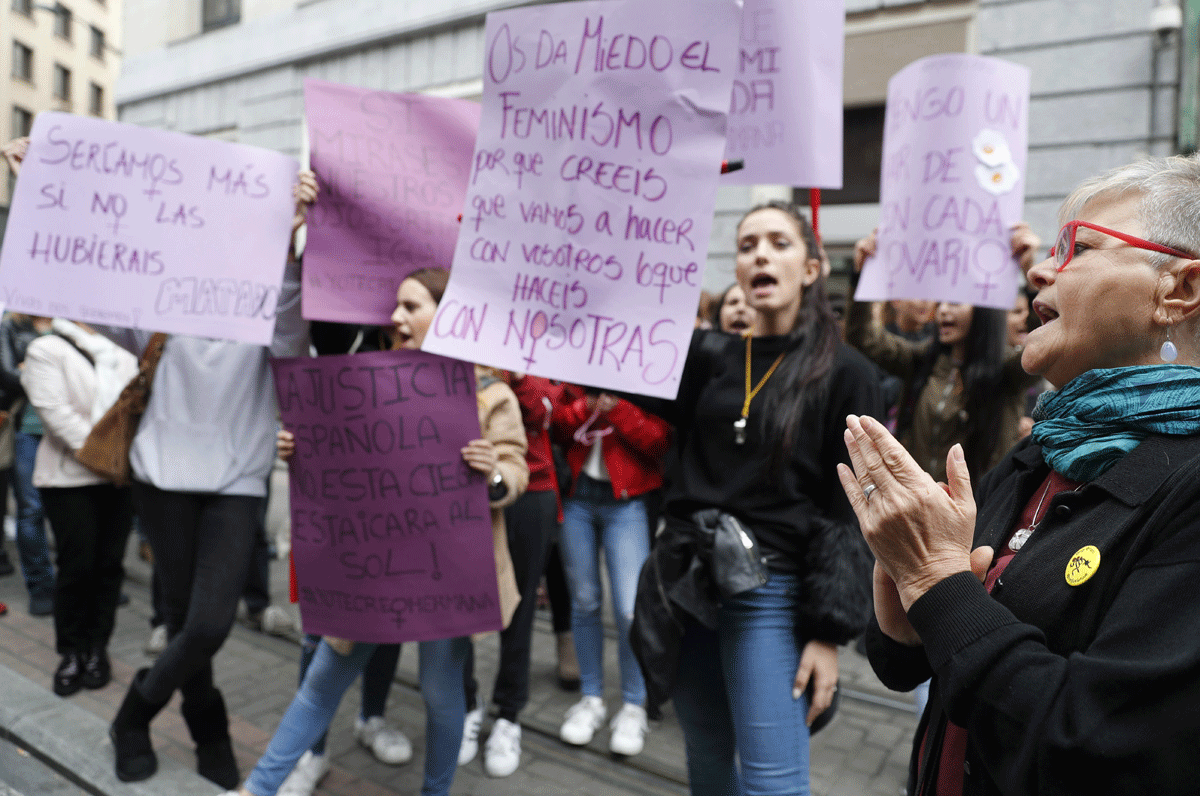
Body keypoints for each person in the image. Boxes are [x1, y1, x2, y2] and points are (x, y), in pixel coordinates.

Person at [845, 153, 1200, 796]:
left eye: (1079, 248)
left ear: (1179, 291)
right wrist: (904, 618)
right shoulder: (1042, 452)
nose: (1040, 268)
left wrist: (934, 580)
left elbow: (1089, 749)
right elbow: (913, 665)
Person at [231, 267, 527, 796]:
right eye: (396, 306)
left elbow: (515, 469)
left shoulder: (487, 391)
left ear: (446, 312)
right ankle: (259, 789)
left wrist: (494, 472)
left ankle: (435, 792)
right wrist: (301, 450)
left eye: (411, 306)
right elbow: (342, 459)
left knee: (442, 695)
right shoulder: (364, 378)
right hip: (374, 567)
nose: (395, 317)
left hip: (449, 575)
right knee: (322, 682)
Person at [631, 200, 882, 796]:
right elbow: (608, 363)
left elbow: (851, 506)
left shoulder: (846, 372)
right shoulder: (707, 357)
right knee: (707, 762)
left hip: (770, 593)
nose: (760, 255)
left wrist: (828, 634)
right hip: (687, 580)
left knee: (773, 782)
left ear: (812, 267)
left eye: (778, 242)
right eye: (746, 246)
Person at [102, 171, 318, 789]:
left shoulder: (269, 298)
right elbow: (90, 296)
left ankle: (134, 713)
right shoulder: (157, 296)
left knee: (208, 622)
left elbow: (291, 336)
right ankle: (208, 729)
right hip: (161, 474)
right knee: (178, 611)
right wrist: (41, 186)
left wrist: (285, 241)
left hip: (237, 478)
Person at [847, 226, 1042, 482]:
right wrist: (863, 275)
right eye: (941, 303)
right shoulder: (922, 360)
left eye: (955, 303)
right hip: (918, 497)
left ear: (983, 311)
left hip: (977, 509)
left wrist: (1032, 280)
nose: (943, 312)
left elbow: (1041, 347)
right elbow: (864, 338)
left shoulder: (1005, 371)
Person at [20, 319, 139, 695]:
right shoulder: (46, 348)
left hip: (119, 479)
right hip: (69, 477)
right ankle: (71, 651)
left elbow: (136, 408)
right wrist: (105, 454)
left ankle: (97, 649)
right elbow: (54, 412)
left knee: (108, 568)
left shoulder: (126, 346)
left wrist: (121, 457)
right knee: (77, 567)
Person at [553, 387, 669, 757]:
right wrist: (583, 409)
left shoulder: (650, 374)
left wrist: (619, 410)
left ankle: (634, 704)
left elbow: (659, 443)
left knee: (629, 609)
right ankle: (592, 699)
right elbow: (554, 425)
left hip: (627, 503)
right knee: (584, 599)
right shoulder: (578, 367)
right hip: (577, 498)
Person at [459, 372, 563, 777]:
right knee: (462, 605)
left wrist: (518, 377)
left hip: (530, 489)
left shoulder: (532, 356)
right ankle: (466, 703)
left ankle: (508, 714)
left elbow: (548, 412)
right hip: (463, 490)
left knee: (517, 607)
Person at [0, 313, 55, 616]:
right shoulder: (12, 324)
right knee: (31, 509)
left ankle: (83, 584)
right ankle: (41, 586)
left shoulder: (73, 323)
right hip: (29, 429)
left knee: (72, 512)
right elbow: (7, 374)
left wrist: (32, 368)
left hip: (73, 433)